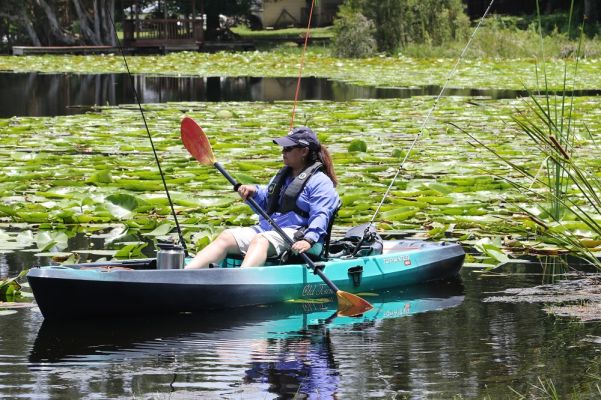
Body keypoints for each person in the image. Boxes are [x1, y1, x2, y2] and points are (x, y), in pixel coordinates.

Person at [185, 127, 340, 269]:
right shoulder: (283, 175)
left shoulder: (321, 182)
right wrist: (254, 193)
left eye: (288, 148)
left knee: (261, 240)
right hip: (270, 230)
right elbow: (267, 202)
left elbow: (321, 215)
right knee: (226, 236)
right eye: (283, 148)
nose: (283, 152)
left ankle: (240, 282)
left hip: (301, 236)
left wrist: (308, 240)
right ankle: (186, 275)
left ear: (304, 151)